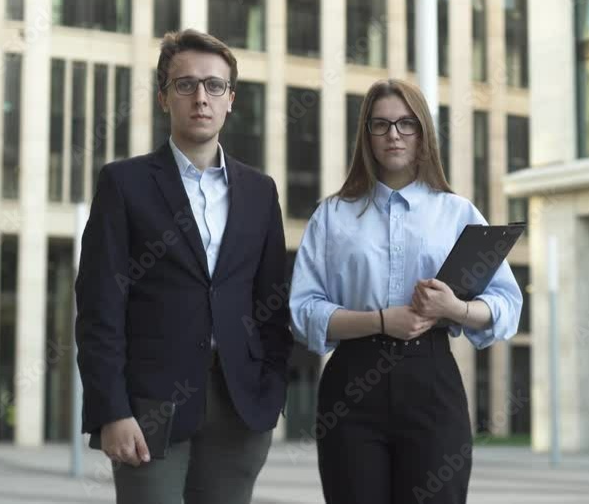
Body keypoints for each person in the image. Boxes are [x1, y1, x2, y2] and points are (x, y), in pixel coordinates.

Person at [75, 29, 292, 504]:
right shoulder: (124, 184)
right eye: (185, 84)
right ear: (163, 97)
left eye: (214, 86)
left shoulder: (260, 191)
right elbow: (99, 308)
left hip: (240, 405)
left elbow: (272, 303)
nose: (201, 97)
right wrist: (111, 410)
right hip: (150, 407)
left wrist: (270, 394)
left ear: (231, 99)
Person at [289, 78, 523, 503]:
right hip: (351, 386)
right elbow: (304, 311)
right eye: (380, 125)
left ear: (423, 133)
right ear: (366, 135)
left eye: (405, 124)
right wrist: (382, 320)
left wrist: (456, 308)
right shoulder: (333, 215)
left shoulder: (456, 213)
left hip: (431, 380)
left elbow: (507, 304)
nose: (393, 134)